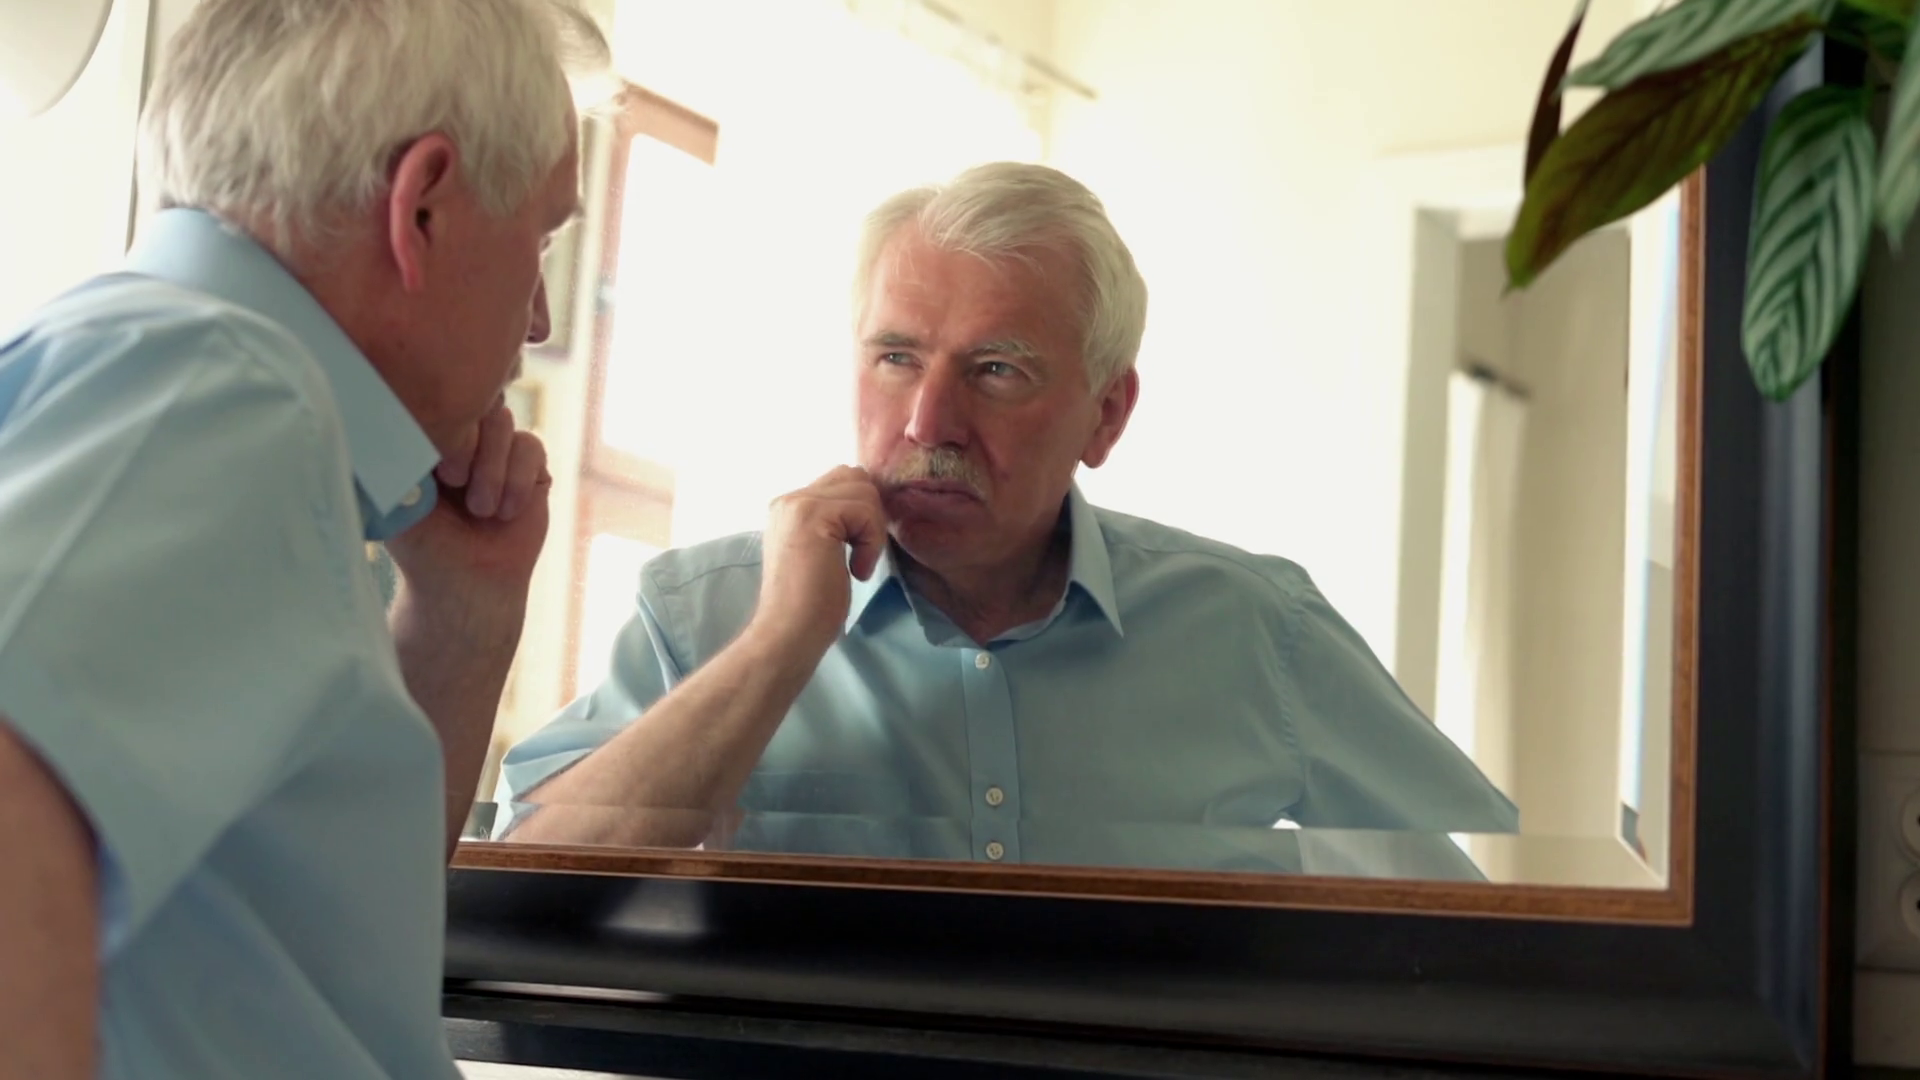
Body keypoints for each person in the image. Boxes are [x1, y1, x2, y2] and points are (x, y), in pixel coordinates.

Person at [495, 162, 1516, 874]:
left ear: (1106, 414)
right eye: (897, 358)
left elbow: (1495, 915)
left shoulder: (1258, 630)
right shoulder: (704, 612)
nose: (927, 422)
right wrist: (776, 648)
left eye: (995, 370)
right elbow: (522, 881)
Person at [0, 1, 607, 1077]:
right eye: (543, 239)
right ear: (422, 208)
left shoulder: (197, 389)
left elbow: (313, 948)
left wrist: (460, 619)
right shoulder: (217, 383)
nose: (539, 320)